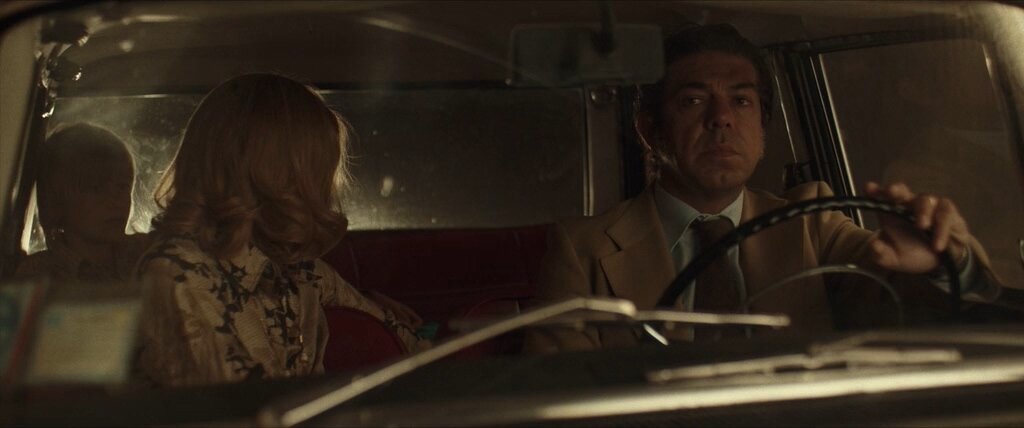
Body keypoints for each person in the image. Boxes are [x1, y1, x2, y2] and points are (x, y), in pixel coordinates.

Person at [524, 25, 1002, 352]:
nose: (722, 119)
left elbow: (921, 310)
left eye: (741, 101)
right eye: (694, 100)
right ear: (650, 131)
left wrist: (942, 260)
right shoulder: (582, 249)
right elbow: (558, 393)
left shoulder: (811, 220)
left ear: (762, 130)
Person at [135, 73, 427, 386]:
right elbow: (238, 404)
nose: (328, 184)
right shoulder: (178, 274)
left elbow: (413, 347)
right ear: (277, 171)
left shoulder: (299, 268)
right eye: (318, 166)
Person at [16, 123, 150, 284]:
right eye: (96, 189)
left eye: (123, 187)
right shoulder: (40, 274)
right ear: (58, 201)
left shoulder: (146, 253)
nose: (116, 201)